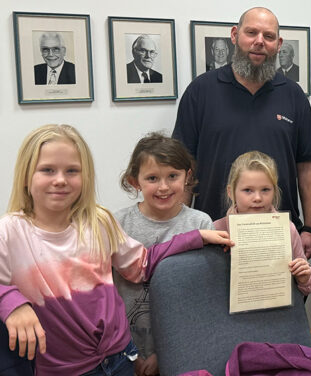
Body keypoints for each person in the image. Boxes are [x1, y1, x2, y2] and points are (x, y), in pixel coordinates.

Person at [0, 124, 232, 375]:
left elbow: (142, 266)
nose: (60, 180)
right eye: (47, 170)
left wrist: (195, 237)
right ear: (26, 175)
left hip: (120, 358)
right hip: (61, 368)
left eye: (72, 171)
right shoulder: (10, 231)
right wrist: (11, 302)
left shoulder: (99, 221)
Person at [173, 7, 311, 259]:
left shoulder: (293, 94)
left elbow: (306, 166)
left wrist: (308, 228)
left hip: (279, 233)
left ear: (278, 43)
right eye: (251, 32)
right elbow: (183, 167)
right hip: (213, 233)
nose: (259, 41)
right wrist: (181, 229)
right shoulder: (201, 91)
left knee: (283, 299)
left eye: (269, 36)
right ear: (234, 35)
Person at [113, 133, 214, 376]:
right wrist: (127, 349)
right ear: (135, 181)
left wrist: (164, 352)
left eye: (172, 176)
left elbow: (202, 296)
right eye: (152, 178)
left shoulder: (200, 223)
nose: (163, 187)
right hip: (125, 347)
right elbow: (107, 293)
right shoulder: (118, 224)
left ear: (187, 176)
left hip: (182, 345)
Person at [213, 151, 311, 296]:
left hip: (276, 312)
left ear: (274, 191)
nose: (257, 198)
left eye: (265, 190)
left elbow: (309, 286)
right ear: (231, 192)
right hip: (226, 314)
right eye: (248, 190)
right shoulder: (216, 231)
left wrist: (303, 277)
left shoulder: (287, 229)